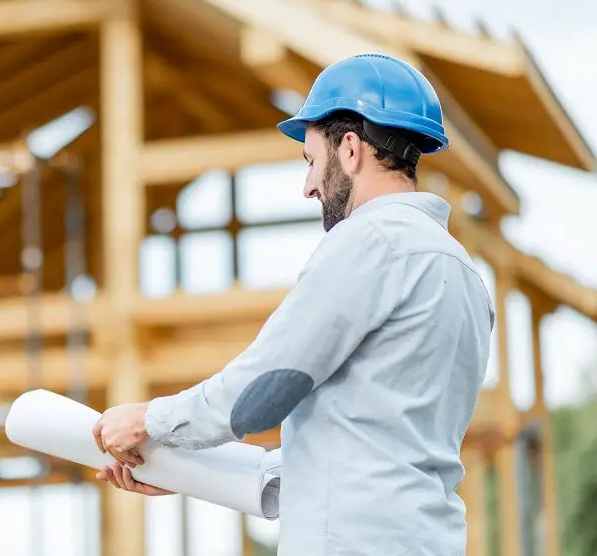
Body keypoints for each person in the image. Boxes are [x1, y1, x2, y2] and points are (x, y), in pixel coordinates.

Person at [91, 53, 495, 555]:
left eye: (311, 161)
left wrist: (149, 423)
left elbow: (262, 388)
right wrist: (188, 470)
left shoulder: (368, 242)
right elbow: (364, 452)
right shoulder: (462, 273)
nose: (308, 186)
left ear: (350, 149)